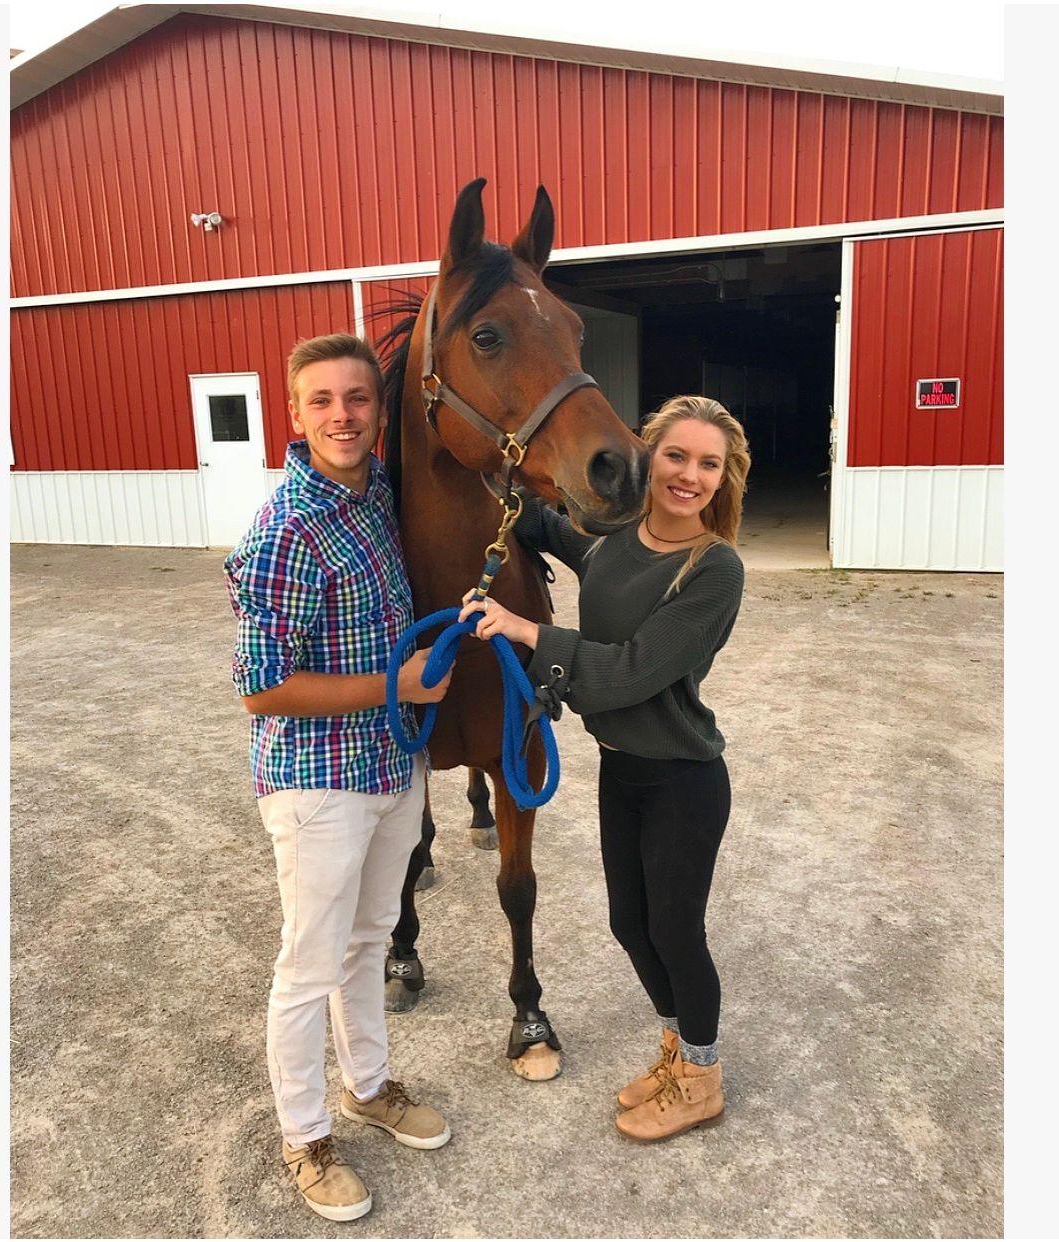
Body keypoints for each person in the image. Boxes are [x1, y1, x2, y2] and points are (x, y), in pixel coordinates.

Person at [459, 395, 750, 1142]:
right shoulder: (615, 538)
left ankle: (703, 1078)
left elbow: (628, 673)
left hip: (683, 780)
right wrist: (492, 461)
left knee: (676, 932)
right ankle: (676, 1049)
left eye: (707, 464)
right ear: (648, 457)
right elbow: (539, 521)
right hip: (623, 775)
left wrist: (527, 629)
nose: (688, 475)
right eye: (676, 456)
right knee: (630, 924)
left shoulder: (714, 569)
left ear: (724, 478)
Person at [224, 333, 453, 1221]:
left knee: (370, 938)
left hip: (393, 763)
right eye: (321, 400)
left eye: (357, 398)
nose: (342, 416)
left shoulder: (376, 494)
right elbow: (262, 687)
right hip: (319, 781)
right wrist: (398, 686)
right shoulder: (283, 529)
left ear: (377, 410)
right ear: (295, 413)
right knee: (309, 963)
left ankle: (368, 1087)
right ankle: (306, 1136)